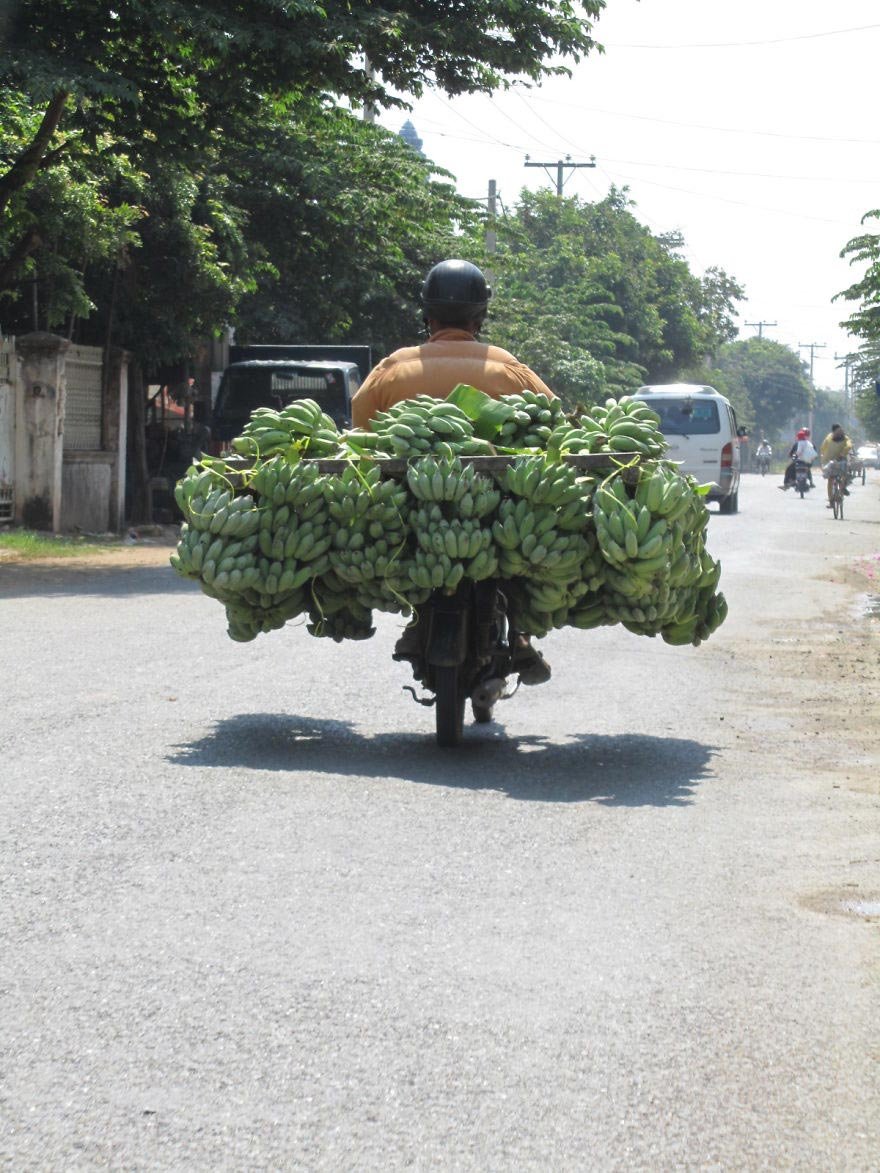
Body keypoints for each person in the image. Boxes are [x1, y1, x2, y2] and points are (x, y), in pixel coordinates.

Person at [351, 259, 556, 686]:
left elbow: (361, 424)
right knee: (518, 549)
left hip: (405, 507)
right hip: (498, 512)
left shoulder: (394, 368)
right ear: (480, 318)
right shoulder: (509, 369)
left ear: (428, 316)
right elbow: (552, 423)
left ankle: (418, 622)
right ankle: (518, 634)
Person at [820, 422, 853, 507]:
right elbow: (823, 448)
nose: (840, 433)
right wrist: (823, 458)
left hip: (841, 460)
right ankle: (831, 500)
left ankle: (842, 488)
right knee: (830, 480)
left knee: (844, 474)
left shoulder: (845, 438)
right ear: (833, 432)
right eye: (838, 431)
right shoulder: (829, 438)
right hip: (830, 461)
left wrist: (843, 453)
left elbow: (849, 445)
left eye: (840, 431)